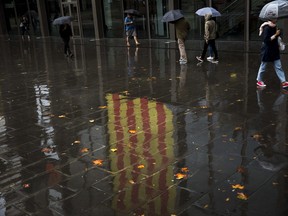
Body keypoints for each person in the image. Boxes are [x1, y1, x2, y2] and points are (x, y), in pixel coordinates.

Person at [256, 19, 288, 89]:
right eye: (274, 18)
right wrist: (276, 34)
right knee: (263, 66)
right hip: (267, 50)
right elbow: (266, 40)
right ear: (270, 19)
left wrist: (278, 33)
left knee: (278, 66)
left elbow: (277, 36)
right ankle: (259, 80)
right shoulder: (266, 28)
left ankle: (283, 82)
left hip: (274, 50)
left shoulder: (275, 27)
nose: (276, 19)